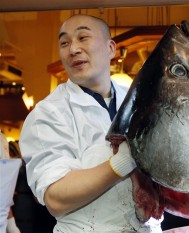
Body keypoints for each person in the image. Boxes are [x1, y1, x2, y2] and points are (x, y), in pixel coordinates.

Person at [19, 14, 163, 233]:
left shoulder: (140, 101)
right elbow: (55, 197)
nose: (73, 49)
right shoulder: (48, 113)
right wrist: (123, 162)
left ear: (110, 48)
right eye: (64, 43)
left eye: (83, 37)